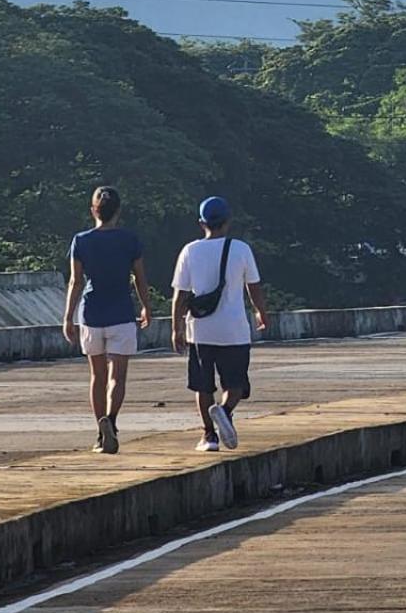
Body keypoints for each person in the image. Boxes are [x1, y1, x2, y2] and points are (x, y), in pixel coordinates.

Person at [171, 196, 267, 452]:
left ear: (201, 222)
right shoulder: (241, 249)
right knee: (235, 385)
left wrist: (176, 327)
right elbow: (253, 287)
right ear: (228, 222)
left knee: (202, 385)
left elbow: (180, 294)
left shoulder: (189, 250)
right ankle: (224, 411)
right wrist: (261, 312)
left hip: (200, 330)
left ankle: (209, 436)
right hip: (234, 330)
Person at [62, 185, 151, 454]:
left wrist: (68, 317)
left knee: (96, 376)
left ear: (93, 211)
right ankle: (111, 421)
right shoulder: (130, 240)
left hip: (91, 314)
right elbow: (140, 278)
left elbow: (76, 282)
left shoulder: (81, 240)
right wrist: (147, 306)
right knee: (118, 376)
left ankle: (101, 433)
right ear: (118, 212)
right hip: (121, 314)